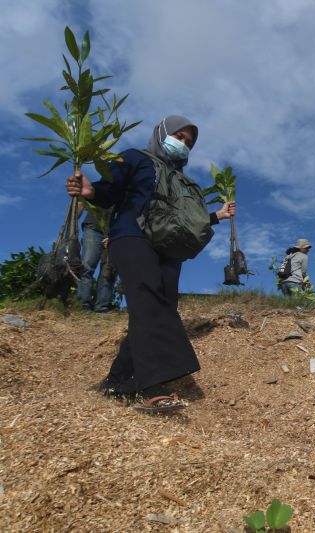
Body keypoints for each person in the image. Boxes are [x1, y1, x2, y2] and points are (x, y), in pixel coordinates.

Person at [66, 115, 235, 413]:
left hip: (167, 249)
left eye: (188, 142)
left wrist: (215, 216)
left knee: (162, 306)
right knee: (147, 301)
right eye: (178, 136)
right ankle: (152, 385)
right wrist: (91, 192)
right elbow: (110, 188)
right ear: (162, 133)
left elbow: (185, 219)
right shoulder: (136, 158)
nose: (183, 144)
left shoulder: (182, 180)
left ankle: (117, 381)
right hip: (132, 237)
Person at [76, 206, 116, 312]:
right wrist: (73, 219)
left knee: (109, 271)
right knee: (86, 267)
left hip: (115, 231)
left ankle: (102, 307)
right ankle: (83, 305)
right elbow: (80, 200)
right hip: (93, 227)